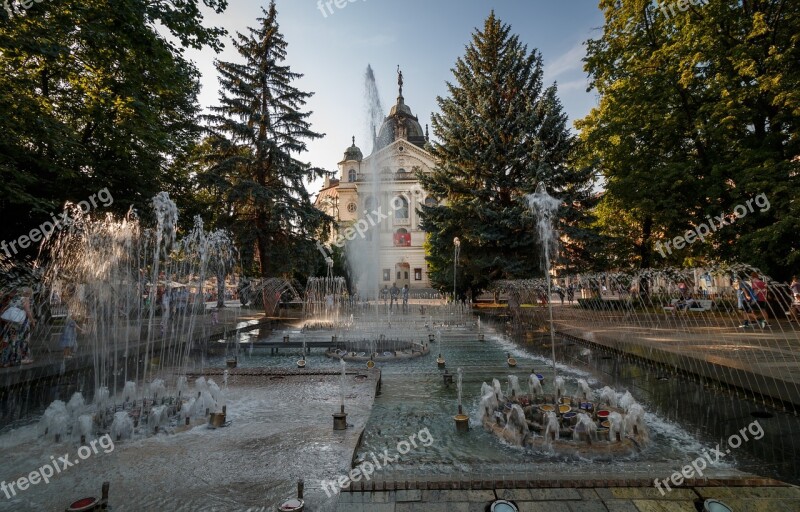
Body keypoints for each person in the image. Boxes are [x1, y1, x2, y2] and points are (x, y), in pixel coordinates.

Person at [1, 287, 35, 366]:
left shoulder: (15, 299)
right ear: (28, 294)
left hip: (11, 323)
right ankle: (20, 359)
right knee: (22, 340)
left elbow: (6, 309)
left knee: (9, 341)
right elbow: (28, 311)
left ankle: (6, 360)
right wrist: (32, 320)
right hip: (20, 324)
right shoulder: (25, 299)